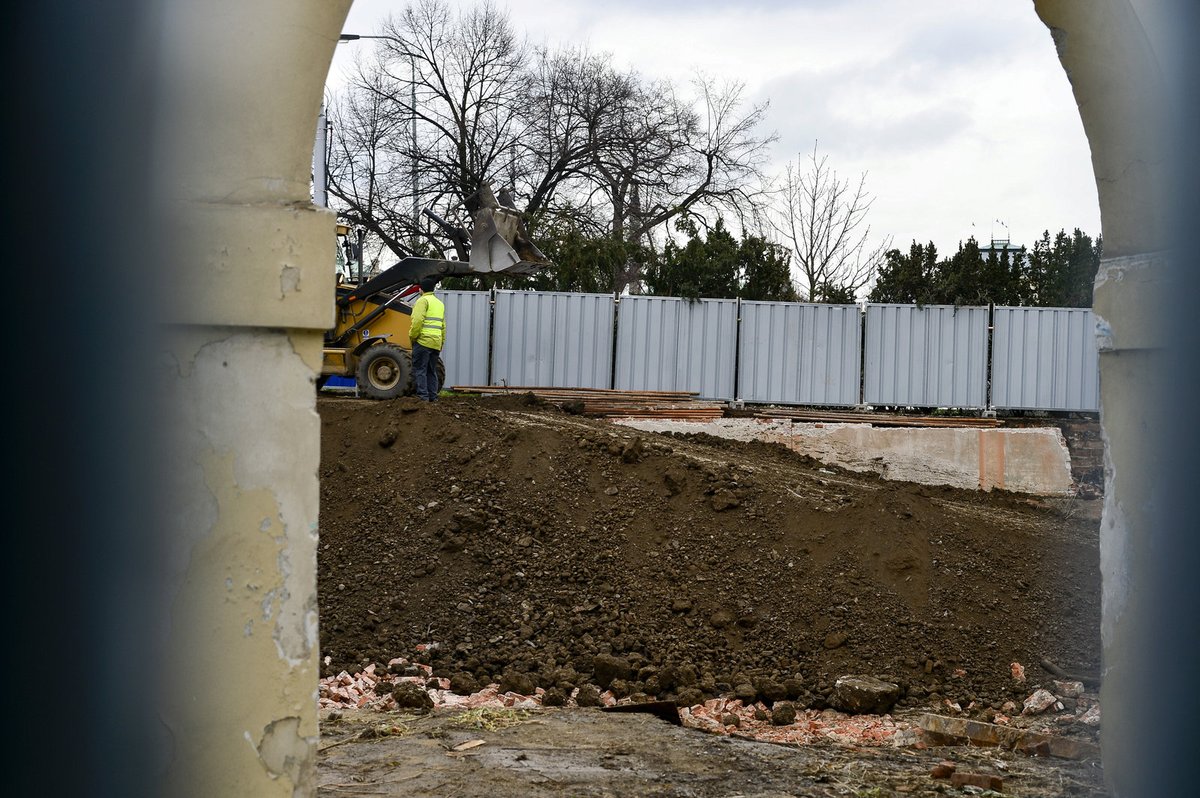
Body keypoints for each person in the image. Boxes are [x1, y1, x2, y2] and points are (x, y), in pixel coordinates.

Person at [408, 277, 446, 402]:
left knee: (420, 369)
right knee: (431, 370)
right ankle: (433, 397)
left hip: (423, 341)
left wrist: (413, 337)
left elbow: (417, 321)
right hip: (436, 342)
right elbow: (443, 326)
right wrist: (441, 342)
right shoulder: (439, 304)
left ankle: (423, 397)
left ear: (420, 289)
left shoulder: (422, 301)